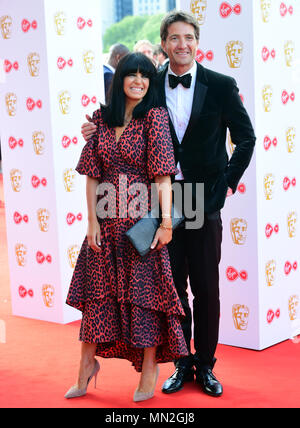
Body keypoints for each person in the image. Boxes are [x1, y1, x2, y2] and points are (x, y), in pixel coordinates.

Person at [81, 11, 256, 398]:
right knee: (170, 287)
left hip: (202, 197)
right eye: (174, 38)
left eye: (188, 37)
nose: (182, 45)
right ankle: (181, 363)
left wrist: (226, 183)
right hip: (156, 200)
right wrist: (94, 127)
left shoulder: (222, 85)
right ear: (164, 43)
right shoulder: (150, 82)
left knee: (206, 288)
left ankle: (206, 364)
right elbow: (120, 114)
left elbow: (246, 139)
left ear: (197, 41)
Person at [65, 52, 188, 403]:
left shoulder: (155, 118)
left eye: (145, 75)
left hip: (141, 227)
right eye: (131, 74)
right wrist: (91, 221)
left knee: (145, 298)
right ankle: (86, 367)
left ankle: (150, 367)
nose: (139, 80)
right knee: (97, 297)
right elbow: (91, 175)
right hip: (105, 222)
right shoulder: (101, 119)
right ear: (119, 79)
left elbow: (163, 177)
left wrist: (166, 224)